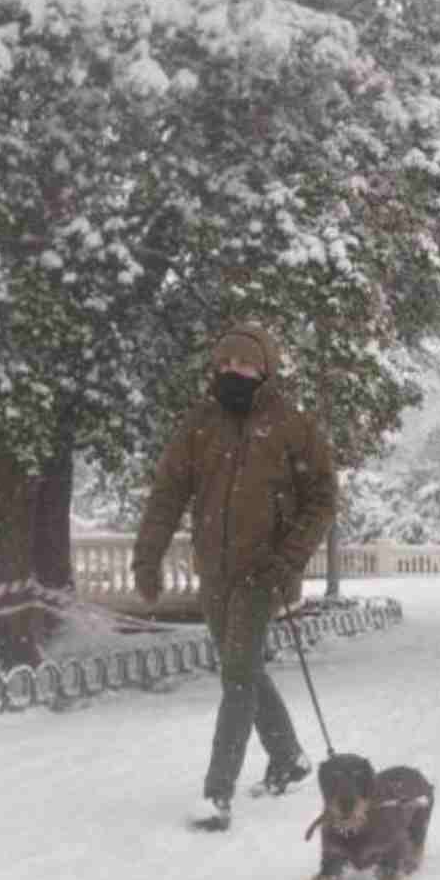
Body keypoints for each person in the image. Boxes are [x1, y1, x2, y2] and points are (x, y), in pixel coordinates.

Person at [130, 322, 336, 829]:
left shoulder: (292, 424)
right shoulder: (199, 424)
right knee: (241, 669)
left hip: (263, 574)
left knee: (238, 676)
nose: (232, 373)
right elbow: (167, 495)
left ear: (264, 369)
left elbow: (323, 498)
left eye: (243, 365)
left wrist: (288, 558)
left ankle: (216, 796)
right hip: (214, 573)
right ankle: (288, 759)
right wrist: (147, 557)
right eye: (224, 365)